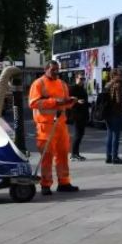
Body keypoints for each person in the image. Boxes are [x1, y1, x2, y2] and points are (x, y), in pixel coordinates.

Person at [28, 60, 80, 195]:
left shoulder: (62, 84)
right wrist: (55, 102)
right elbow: (33, 103)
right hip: (45, 125)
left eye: (58, 70)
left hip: (60, 124)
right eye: (53, 70)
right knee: (47, 156)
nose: (56, 72)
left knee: (62, 154)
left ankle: (64, 182)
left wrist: (70, 102)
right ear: (46, 69)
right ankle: (45, 184)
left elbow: (64, 103)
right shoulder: (38, 83)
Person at [104, 68, 122, 164]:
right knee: (116, 135)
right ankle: (115, 157)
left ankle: (108, 156)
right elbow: (118, 101)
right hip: (116, 113)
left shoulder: (107, 85)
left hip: (108, 113)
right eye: (120, 75)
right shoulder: (117, 85)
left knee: (109, 135)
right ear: (115, 75)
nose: (121, 76)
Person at [68, 73, 90, 161]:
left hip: (83, 113)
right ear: (76, 79)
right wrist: (77, 102)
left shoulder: (82, 88)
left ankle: (76, 153)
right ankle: (73, 154)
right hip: (77, 114)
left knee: (80, 134)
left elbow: (84, 100)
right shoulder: (73, 88)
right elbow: (69, 99)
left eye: (83, 79)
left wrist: (89, 104)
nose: (82, 81)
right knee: (77, 135)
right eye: (81, 79)